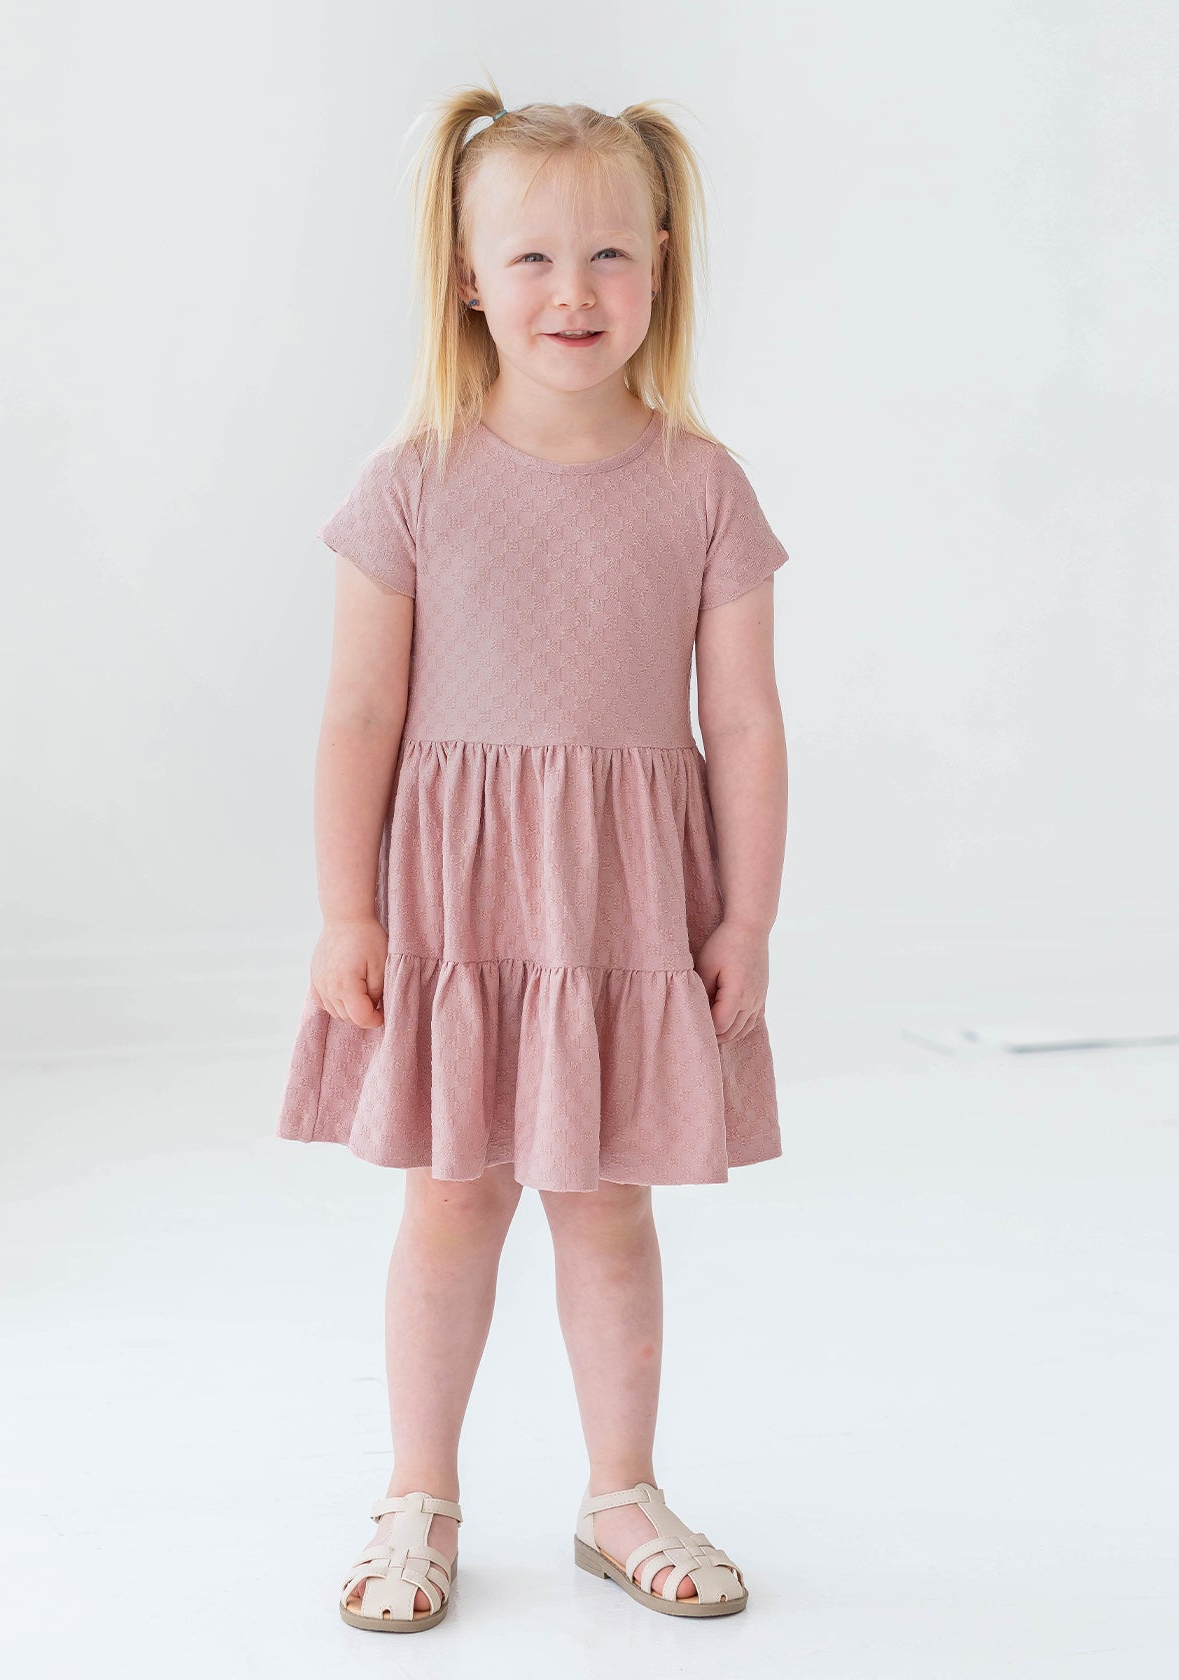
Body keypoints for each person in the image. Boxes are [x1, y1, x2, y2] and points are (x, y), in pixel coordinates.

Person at [277, 85, 792, 1631]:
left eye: (613, 256)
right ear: (466, 273)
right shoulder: (416, 479)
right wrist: (347, 907)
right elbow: (361, 708)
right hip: (459, 904)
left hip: (626, 904)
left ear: (663, 268)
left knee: (609, 1205)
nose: (576, 293)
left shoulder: (701, 483)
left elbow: (747, 724)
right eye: (536, 259)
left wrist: (747, 918)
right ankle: (418, 1490)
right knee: (451, 1198)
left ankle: (619, 1491)